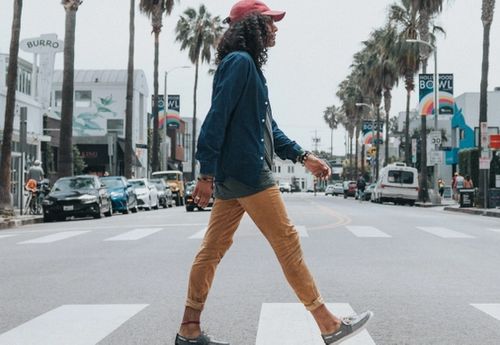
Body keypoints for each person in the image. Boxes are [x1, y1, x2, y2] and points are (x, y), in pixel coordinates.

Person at [175, 2, 373, 345]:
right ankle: (327, 323)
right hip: (248, 172)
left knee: (212, 249)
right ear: (251, 26)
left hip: (235, 173)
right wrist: (205, 175)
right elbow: (215, 119)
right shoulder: (240, 64)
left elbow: (269, 129)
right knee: (287, 241)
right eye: (270, 22)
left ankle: (189, 329)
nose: (275, 28)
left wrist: (304, 155)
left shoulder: (246, 67)